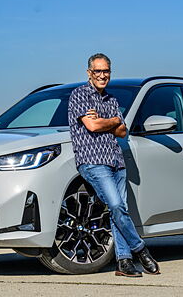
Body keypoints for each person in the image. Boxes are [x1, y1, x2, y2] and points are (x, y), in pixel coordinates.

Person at [67, 53, 160, 277]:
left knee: (119, 211)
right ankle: (141, 250)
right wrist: (113, 121)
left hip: (116, 161)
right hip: (93, 162)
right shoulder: (79, 94)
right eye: (97, 71)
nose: (102, 75)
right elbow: (92, 126)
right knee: (117, 206)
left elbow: (122, 131)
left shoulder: (111, 100)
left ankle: (124, 261)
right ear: (89, 73)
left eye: (106, 71)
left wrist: (108, 122)